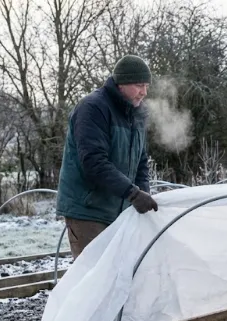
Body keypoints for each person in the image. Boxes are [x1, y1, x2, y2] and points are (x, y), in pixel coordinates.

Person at [56, 54, 158, 259]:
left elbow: (140, 163)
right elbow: (94, 162)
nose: (144, 92)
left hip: (120, 209)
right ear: (122, 82)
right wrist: (133, 193)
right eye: (139, 85)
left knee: (119, 276)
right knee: (93, 279)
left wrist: (143, 194)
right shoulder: (93, 108)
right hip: (89, 210)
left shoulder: (136, 113)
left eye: (146, 86)